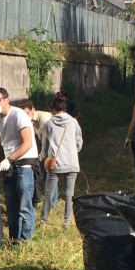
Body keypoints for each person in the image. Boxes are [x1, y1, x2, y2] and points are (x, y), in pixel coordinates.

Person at [0, 87, 38, 243]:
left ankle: (25, 240)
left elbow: (27, 143)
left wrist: (10, 159)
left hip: (25, 165)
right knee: (11, 206)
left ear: (6, 99)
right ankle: (15, 240)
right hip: (10, 167)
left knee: (24, 205)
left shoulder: (18, 115)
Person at [40, 95, 83, 228]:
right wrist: (72, 152)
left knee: (48, 193)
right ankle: (66, 222)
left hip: (55, 163)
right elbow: (79, 142)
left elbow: (44, 146)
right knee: (70, 193)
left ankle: (43, 221)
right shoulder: (74, 122)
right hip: (72, 162)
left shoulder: (48, 124)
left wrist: (43, 157)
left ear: (52, 108)